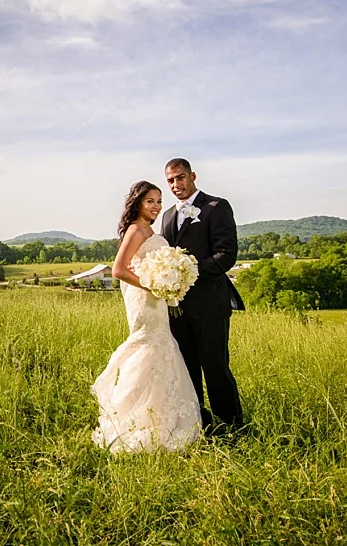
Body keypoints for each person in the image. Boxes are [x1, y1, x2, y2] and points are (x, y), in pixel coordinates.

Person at [91, 180, 202, 453]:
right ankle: (133, 413)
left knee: (160, 346)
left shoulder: (149, 230)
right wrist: (153, 285)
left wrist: (168, 282)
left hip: (156, 298)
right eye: (150, 201)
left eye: (159, 201)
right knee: (147, 346)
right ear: (138, 202)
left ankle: (160, 412)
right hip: (144, 298)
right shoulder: (135, 229)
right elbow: (118, 270)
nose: (156, 206)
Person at [161, 158, 245, 437]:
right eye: (171, 180)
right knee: (187, 371)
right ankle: (199, 426)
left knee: (216, 368)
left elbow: (226, 254)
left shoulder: (216, 207)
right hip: (177, 309)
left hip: (210, 305)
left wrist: (188, 273)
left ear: (192, 176)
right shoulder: (168, 215)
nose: (176, 184)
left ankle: (232, 428)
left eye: (180, 177)